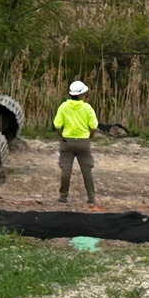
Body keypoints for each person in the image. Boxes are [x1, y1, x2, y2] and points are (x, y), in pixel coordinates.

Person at [53, 79, 103, 210]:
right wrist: (90, 135)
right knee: (87, 170)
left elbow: (57, 125)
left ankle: (63, 196)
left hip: (67, 142)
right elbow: (93, 125)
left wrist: (62, 136)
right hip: (83, 142)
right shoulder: (87, 108)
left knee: (66, 170)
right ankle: (91, 199)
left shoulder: (63, 107)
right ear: (81, 95)